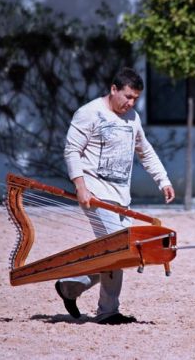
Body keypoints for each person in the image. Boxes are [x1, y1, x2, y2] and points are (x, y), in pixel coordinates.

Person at [55, 67, 175, 324]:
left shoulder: (133, 118)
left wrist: (163, 180)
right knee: (118, 249)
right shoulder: (89, 113)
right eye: (128, 96)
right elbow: (71, 150)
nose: (131, 103)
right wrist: (80, 186)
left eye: (135, 99)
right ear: (113, 89)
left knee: (126, 252)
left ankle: (71, 286)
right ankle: (108, 312)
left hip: (121, 198)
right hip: (95, 194)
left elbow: (145, 150)